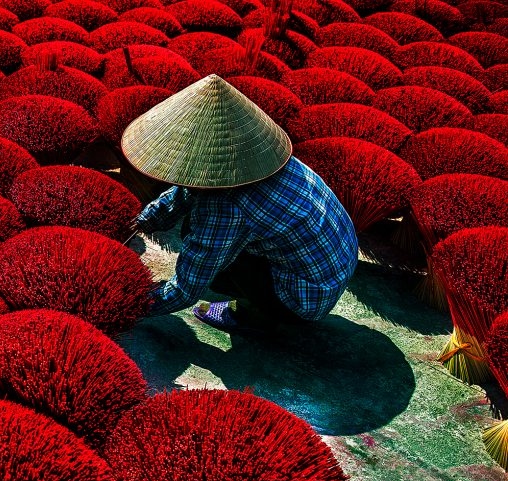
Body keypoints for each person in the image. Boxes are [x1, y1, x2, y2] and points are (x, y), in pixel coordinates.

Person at [122, 74, 359, 335]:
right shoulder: (259, 158)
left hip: (304, 297)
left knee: (202, 241)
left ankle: (250, 315)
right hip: (336, 264)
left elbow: (186, 290)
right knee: (201, 229)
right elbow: (193, 183)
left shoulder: (227, 208)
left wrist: (135, 302)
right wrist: (150, 218)